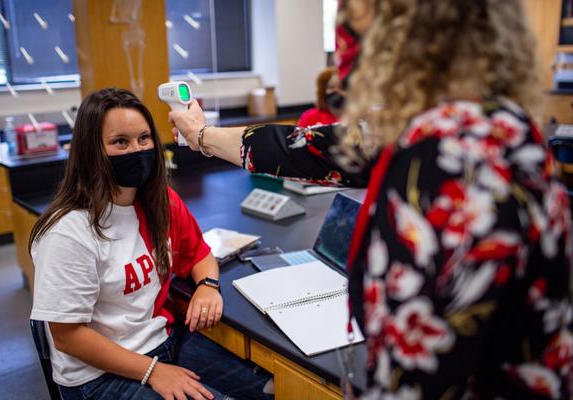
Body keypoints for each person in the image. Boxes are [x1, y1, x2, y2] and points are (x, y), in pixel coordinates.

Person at [169, 0, 573, 398]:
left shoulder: (443, 160)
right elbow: (311, 147)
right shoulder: (491, 126)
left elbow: (421, 372)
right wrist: (202, 136)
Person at [29, 88, 273, 400]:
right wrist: (153, 371)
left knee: (271, 389)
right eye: (121, 142)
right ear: (92, 151)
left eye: (144, 139)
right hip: (99, 376)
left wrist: (208, 285)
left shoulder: (161, 202)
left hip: (165, 342)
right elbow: (67, 336)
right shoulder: (68, 231)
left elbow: (199, 254)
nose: (137, 149)